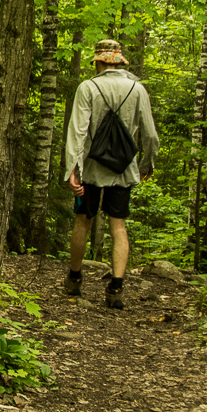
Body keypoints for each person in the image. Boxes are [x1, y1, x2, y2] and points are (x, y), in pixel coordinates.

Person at [62, 39, 159, 309]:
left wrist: (73, 169)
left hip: (90, 169)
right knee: (118, 226)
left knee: (83, 221)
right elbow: (150, 134)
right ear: (118, 61)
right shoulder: (138, 89)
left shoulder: (88, 87)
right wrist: (147, 164)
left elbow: (78, 131)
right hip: (123, 169)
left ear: (99, 62)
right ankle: (116, 288)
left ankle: (75, 279)